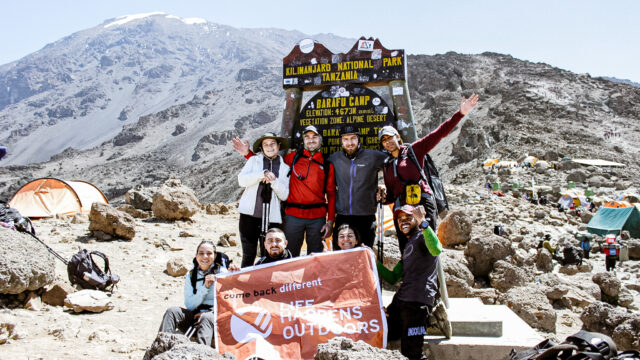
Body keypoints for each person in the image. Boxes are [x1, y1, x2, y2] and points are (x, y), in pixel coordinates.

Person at [379, 94, 479, 253]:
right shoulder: (387, 164)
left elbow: (439, 133)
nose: (388, 142)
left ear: (397, 137)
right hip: (401, 211)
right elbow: (391, 195)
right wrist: (383, 198)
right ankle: (410, 276)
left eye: (390, 137)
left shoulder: (414, 150)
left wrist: (460, 113)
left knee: (428, 245)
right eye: (384, 140)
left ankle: (432, 278)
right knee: (405, 248)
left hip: (422, 204)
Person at [233, 125, 336, 257]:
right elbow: (270, 160)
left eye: (314, 137)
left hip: (317, 217)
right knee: (289, 256)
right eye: (307, 137)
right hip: (293, 216)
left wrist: (330, 221)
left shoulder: (327, 165)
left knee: (316, 256)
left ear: (320, 140)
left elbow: (332, 193)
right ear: (303, 140)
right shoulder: (292, 159)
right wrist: (249, 155)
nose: (311, 140)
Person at [377, 204, 444, 360]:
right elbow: (394, 278)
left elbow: (436, 249)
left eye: (408, 217)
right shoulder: (408, 245)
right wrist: (375, 263)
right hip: (401, 301)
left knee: (412, 353)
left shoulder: (423, 236)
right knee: (385, 331)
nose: (403, 222)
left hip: (417, 303)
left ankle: (433, 316)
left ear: (416, 219)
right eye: (400, 219)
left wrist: (423, 221)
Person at [158, 241, 238, 346]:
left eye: (209, 253)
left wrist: (235, 278)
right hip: (195, 315)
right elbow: (190, 304)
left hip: (215, 318)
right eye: (201, 253)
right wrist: (204, 288)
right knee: (172, 311)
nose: (205, 256)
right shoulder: (191, 275)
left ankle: (202, 354)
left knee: (206, 318)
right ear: (196, 256)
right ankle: (162, 348)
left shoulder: (223, 273)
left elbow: (231, 303)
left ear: (215, 256)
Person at [328, 125, 387, 249]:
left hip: (366, 217)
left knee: (363, 257)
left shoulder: (374, 157)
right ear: (341, 141)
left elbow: (394, 167)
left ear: (358, 139)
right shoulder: (335, 158)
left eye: (353, 138)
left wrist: (386, 187)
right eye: (346, 139)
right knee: (339, 257)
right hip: (343, 216)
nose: (350, 143)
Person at [237, 133, 290, 267]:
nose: (269, 147)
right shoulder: (253, 161)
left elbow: (284, 195)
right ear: (261, 147)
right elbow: (242, 180)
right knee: (249, 254)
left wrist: (274, 181)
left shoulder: (285, 168)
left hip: (272, 218)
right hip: (249, 216)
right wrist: (262, 174)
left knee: (270, 255)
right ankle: (246, 284)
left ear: (278, 146)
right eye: (265, 144)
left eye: (272, 143)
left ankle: (268, 285)